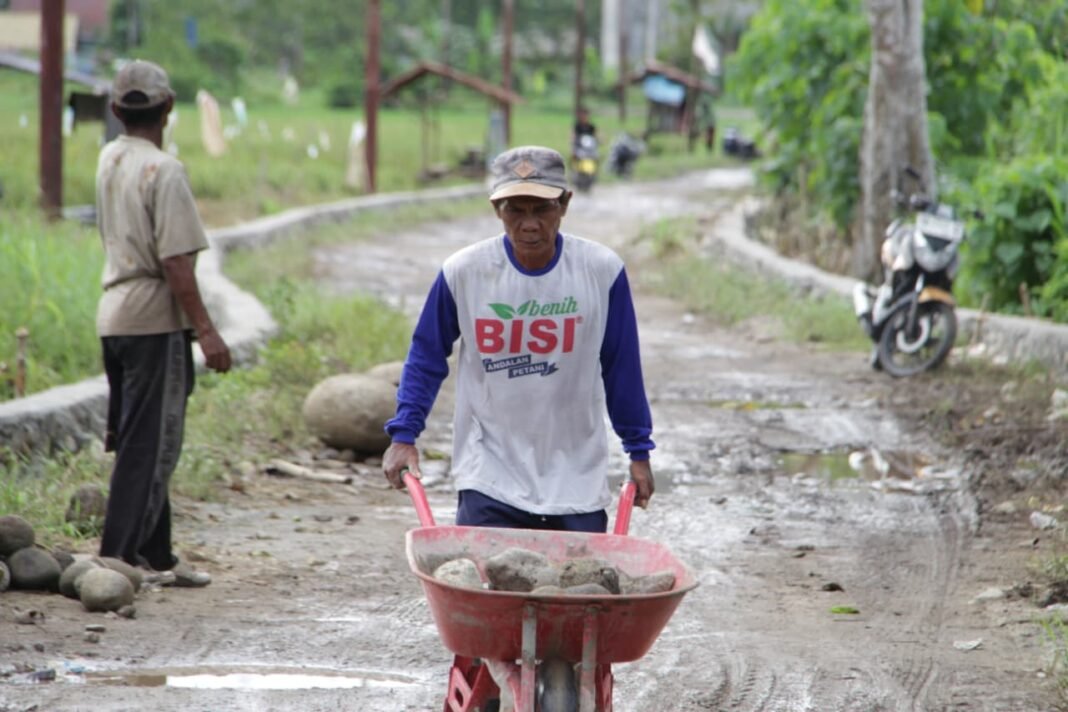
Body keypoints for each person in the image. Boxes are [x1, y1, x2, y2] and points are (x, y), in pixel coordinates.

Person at [382, 145, 654, 531]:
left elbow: (621, 367)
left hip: (574, 473)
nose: (529, 224)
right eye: (515, 209)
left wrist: (638, 451)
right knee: (488, 578)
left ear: (565, 204)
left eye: (542, 209)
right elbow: (426, 357)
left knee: (578, 585)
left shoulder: (601, 271)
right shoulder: (465, 272)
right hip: (489, 472)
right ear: (497, 210)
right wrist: (404, 435)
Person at [95, 60, 232, 587]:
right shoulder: (165, 170)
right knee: (150, 442)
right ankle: (119, 554)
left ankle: (158, 553)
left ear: (115, 111)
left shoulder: (110, 156)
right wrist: (208, 331)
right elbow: (177, 263)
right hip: (153, 319)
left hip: (113, 314)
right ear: (169, 107)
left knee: (142, 434)